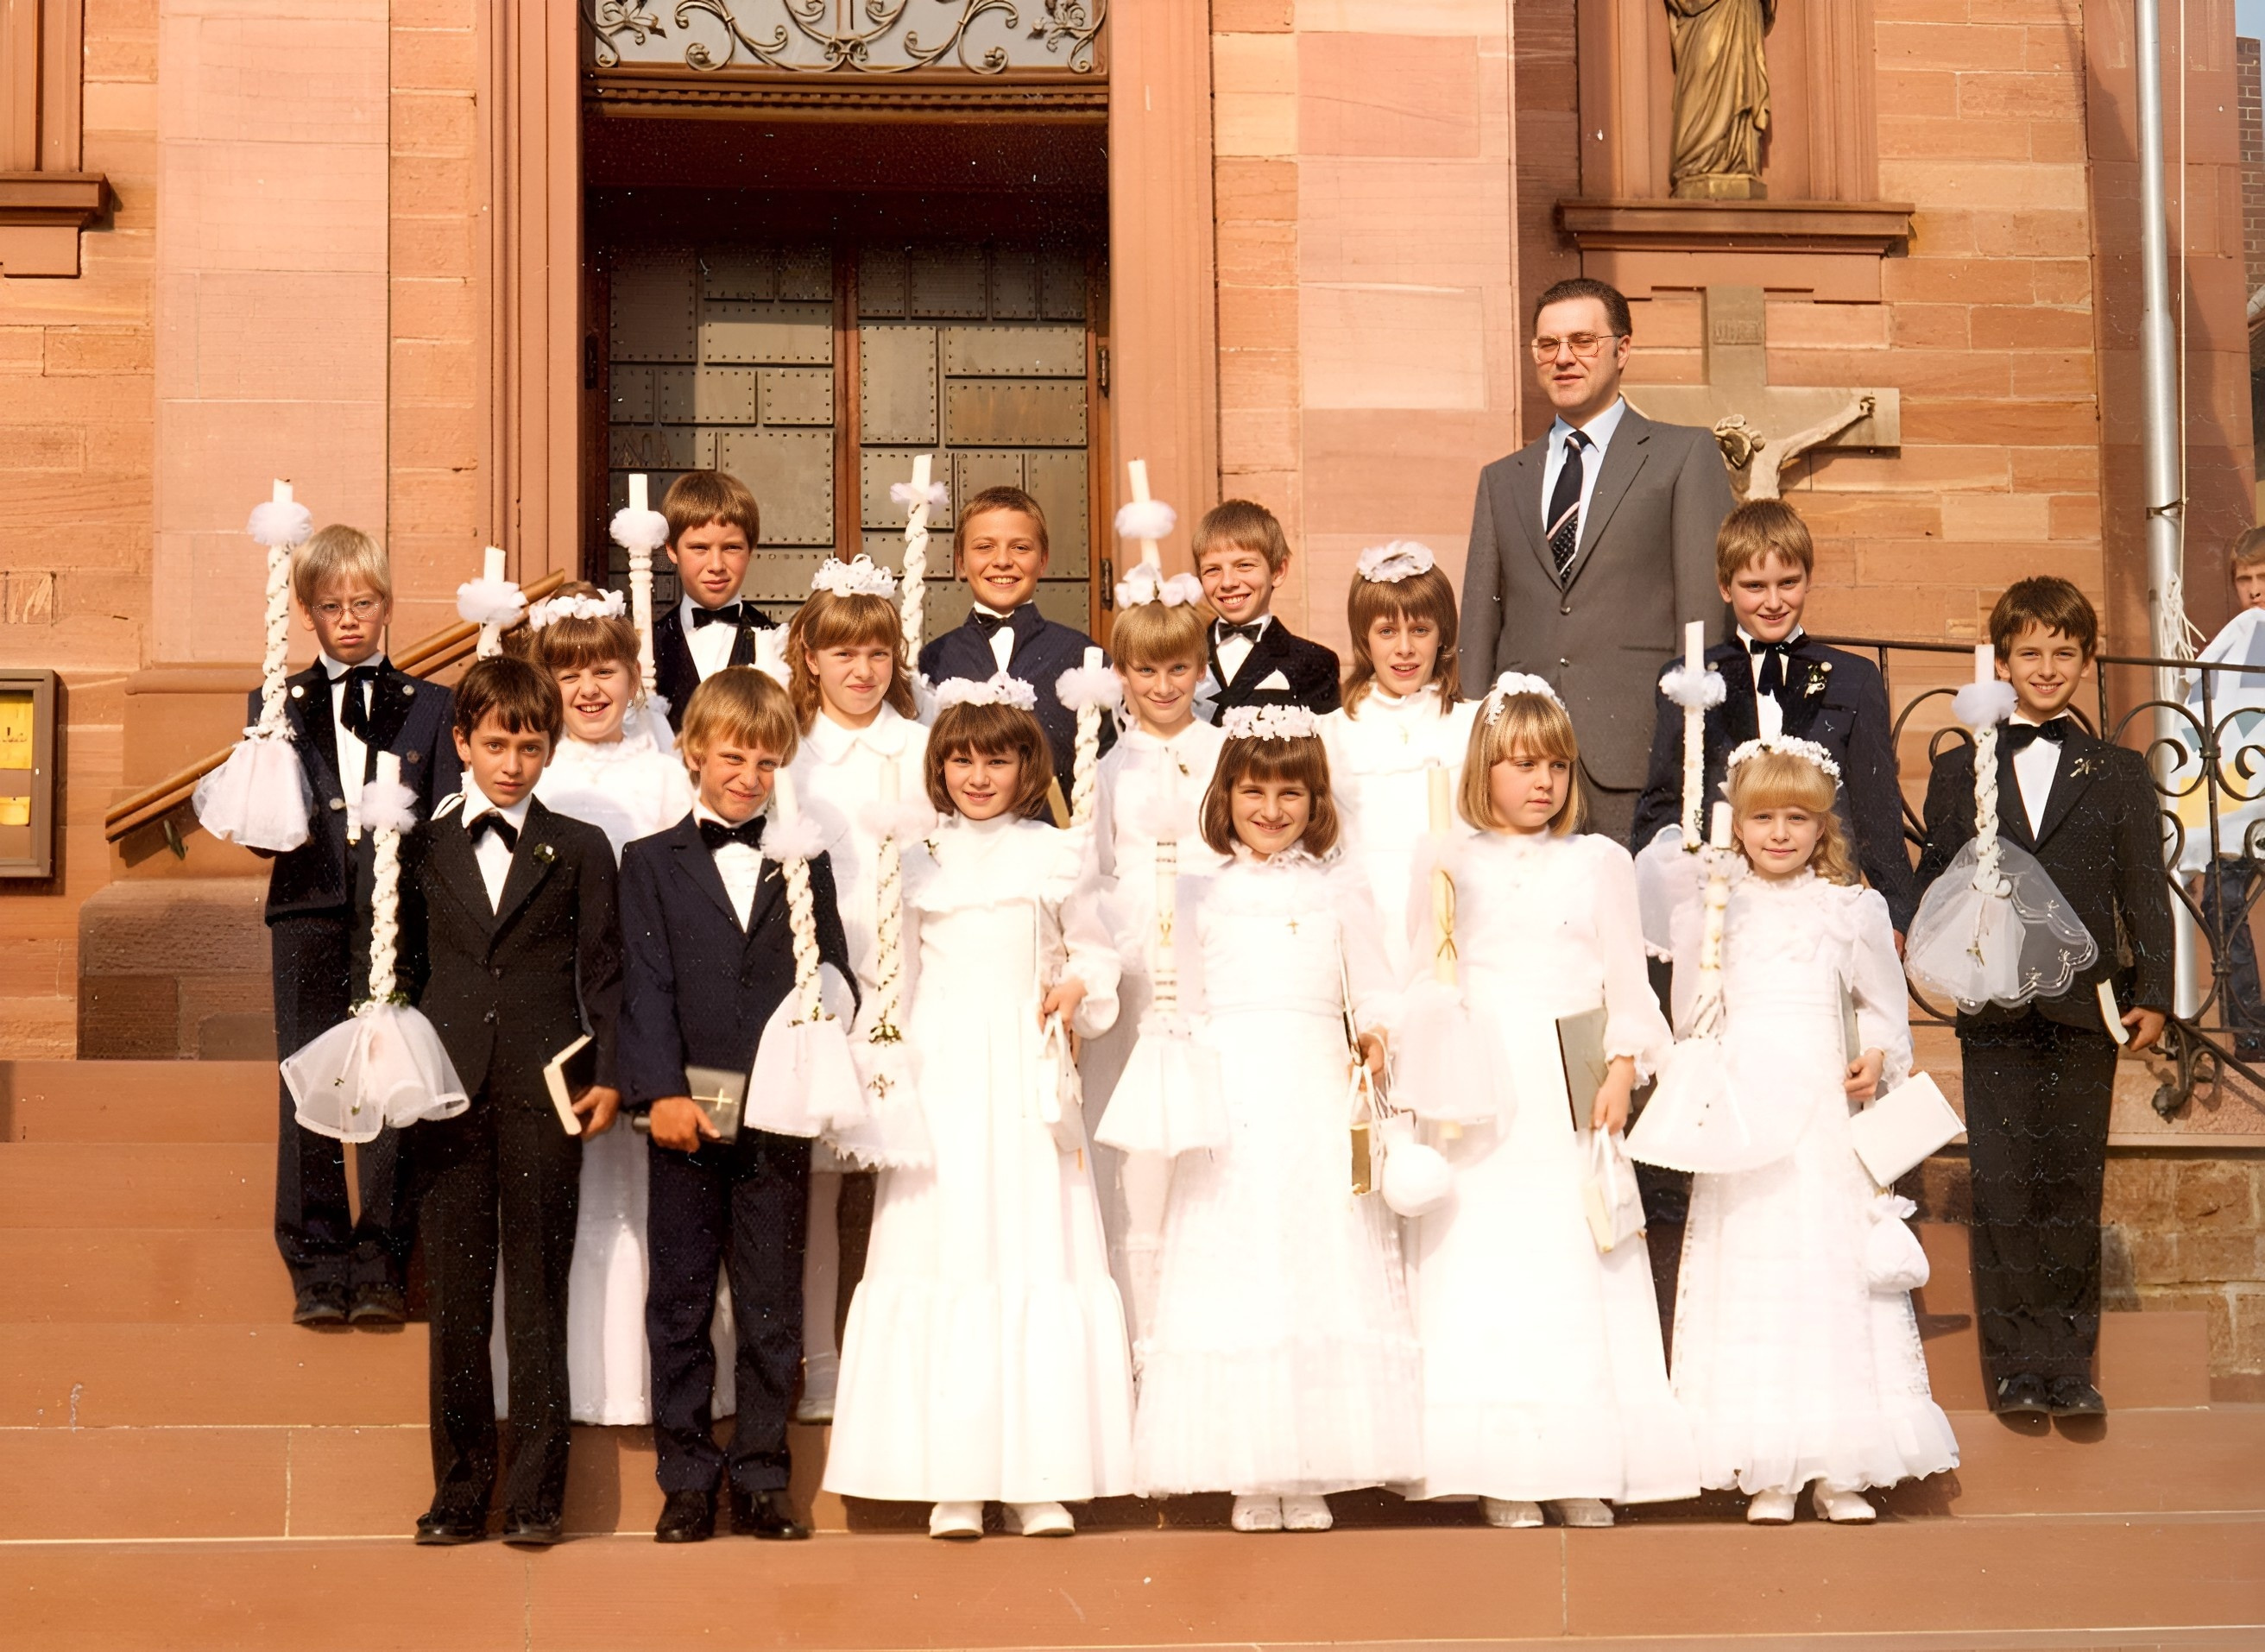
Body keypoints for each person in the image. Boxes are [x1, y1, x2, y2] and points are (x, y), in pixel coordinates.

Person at [822, 678, 1132, 1540]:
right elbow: (894, 980)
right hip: (945, 1077)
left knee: (1031, 1250)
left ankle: (1039, 1475)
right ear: (939, 766)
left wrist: (1075, 985)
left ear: (1026, 765)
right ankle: (951, 1474)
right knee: (949, 1250)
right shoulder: (913, 860)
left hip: (1026, 1077)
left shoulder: (1056, 855)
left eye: (996, 758)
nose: (977, 774)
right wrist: (884, 1073)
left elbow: (1098, 957)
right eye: (960, 758)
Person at [1404, 674, 1695, 1528]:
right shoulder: (1444, 860)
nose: (1541, 783)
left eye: (1556, 768)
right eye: (1520, 765)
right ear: (1481, 770)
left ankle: (1579, 1462)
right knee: (1494, 1264)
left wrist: (1618, 1069)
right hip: (1482, 1088)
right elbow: (1418, 973)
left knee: (1575, 1263)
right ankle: (1503, 1466)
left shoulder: (1598, 863)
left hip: (1568, 1086)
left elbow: (1625, 984)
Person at [1129, 704, 1421, 1534]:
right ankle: (1251, 1465)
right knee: (1240, 1257)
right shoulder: (1195, 890)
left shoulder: (1340, 885)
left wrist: (1374, 1031)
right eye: (1253, 792)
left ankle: (1313, 1461)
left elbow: (1375, 984)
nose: (1271, 810)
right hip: (1233, 1093)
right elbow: (1178, 996)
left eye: (1290, 793)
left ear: (1315, 800)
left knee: (1317, 1253)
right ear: (1225, 799)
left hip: (1314, 1087)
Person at [1662, 738, 1958, 1524]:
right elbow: (1691, 1013)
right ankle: (1766, 1465)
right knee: (1758, 1268)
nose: (1781, 834)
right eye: (1764, 818)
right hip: (1749, 1109)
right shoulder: (1716, 904)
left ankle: (1839, 1465)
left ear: (1823, 827)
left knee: (1825, 1270)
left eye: (1798, 818)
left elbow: (1882, 1008)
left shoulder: (1850, 908)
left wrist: (1873, 1054)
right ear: (1739, 823)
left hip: (1826, 1112)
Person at [1914, 578, 2172, 1418]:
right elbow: (1934, 891)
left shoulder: (2118, 772)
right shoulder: (1959, 772)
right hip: (1993, 1010)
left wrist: (2154, 995)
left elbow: (2143, 890)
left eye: (2064, 652)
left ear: (2087, 660)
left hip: (2083, 1010)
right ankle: (2014, 1370)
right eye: (2029, 652)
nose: (2047, 667)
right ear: (2001, 661)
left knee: (2068, 1179)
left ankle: (2068, 1366)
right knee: (2002, 1183)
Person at [618, 667, 855, 1544]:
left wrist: (827, 1050)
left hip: (776, 1118)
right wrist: (661, 1095)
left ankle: (760, 1477)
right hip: (686, 1110)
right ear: (692, 754)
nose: (747, 776)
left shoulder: (807, 859)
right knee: (678, 1303)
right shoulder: (648, 864)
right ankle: (685, 1479)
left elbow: (831, 973)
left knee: (768, 1303)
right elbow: (639, 988)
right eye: (731, 757)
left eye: (764, 761)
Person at [396, 657, 621, 1547]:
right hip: (445, 1092)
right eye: (495, 744)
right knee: (455, 1298)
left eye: (531, 746)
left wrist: (606, 1073)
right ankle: (457, 1494)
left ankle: (535, 1499)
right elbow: (401, 972)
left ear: (552, 750)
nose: (512, 764)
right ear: (461, 742)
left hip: (544, 1091)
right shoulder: (418, 849)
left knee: (536, 1294)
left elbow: (603, 973)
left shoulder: (579, 847)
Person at [258, 524, 457, 1327]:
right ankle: (316, 1260)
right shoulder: (275, 702)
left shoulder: (432, 706)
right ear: (305, 613)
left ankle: (380, 1259)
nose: (349, 619)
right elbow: (262, 824)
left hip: (394, 915)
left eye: (364, 603)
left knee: (387, 1074)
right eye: (332, 605)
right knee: (306, 1078)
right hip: (307, 909)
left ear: (385, 605)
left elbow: (442, 818)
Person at [1459, 276, 1736, 840]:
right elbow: (1480, 627)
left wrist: (1695, 756)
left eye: (1583, 341)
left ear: (1622, 349)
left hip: (1635, 758)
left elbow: (1705, 621)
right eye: (1548, 345)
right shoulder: (1502, 480)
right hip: (1520, 761)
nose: (1563, 358)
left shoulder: (1682, 455)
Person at [518, 583, 694, 1428]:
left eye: (604, 671)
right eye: (568, 674)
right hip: (559, 1006)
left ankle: (644, 1381)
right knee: (568, 1190)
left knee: (648, 1194)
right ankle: (572, 1379)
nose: (588, 689)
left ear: (634, 678)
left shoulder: (666, 778)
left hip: (650, 1004)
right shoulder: (535, 777)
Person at [779, 556, 929, 1422]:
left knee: (905, 1176)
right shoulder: (793, 755)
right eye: (842, 654)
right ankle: (824, 1364)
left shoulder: (918, 748)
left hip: (910, 981)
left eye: (876, 653)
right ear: (810, 658)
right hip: (823, 986)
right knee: (822, 1181)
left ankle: (899, 1361)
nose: (861, 671)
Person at [1631, 500, 1915, 933]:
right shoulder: (1689, 679)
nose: (1774, 602)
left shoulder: (1854, 679)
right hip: (1724, 906)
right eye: (1754, 586)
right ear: (1726, 587)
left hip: (1824, 898)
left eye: (1788, 583)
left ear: (1808, 579)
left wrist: (1896, 914)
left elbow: (1877, 805)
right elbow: (1665, 801)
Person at [1081, 566, 1227, 1337]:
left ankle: (1202, 1321)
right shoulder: (1105, 768)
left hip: (1213, 954)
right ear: (1121, 677)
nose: (1163, 686)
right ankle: (1139, 1333)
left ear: (1199, 670)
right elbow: (1097, 871)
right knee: (1135, 1151)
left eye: (1177, 669)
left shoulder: (1228, 753)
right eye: (1145, 671)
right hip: (1136, 971)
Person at [1317, 540, 1480, 977]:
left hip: (1457, 929)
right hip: (1367, 935)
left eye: (1420, 630)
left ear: (1442, 635)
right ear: (1364, 641)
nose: (1404, 649)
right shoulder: (1331, 733)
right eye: (1387, 631)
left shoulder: (1475, 724)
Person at [918, 485, 1108, 802]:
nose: (1002, 561)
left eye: (1020, 548)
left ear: (1043, 561)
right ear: (960, 563)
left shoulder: (1083, 658)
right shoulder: (932, 661)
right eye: (984, 547)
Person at [2186, 526, 2265, 1057]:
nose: (2255, 591)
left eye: (2264, 577)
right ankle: (2250, 1032)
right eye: (2245, 580)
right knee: (2224, 903)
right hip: (2241, 800)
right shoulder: (2236, 640)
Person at [651, 470, 780, 731]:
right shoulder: (647, 645)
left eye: (731, 548)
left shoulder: (778, 644)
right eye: (700, 548)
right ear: (672, 550)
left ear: (751, 549)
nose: (716, 565)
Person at [1193, 499, 1341, 723]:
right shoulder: (1181, 656)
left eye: (1244, 565)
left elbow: (1320, 751)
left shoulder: (1314, 663)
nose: (1228, 582)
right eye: (1213, 570)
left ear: (1278, 571)